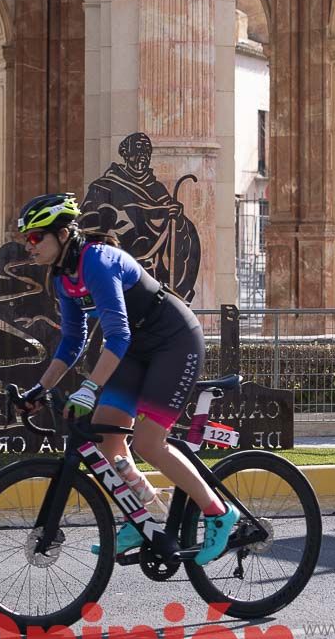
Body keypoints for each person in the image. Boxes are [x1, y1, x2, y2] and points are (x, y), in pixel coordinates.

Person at [14, 191, 238, 564]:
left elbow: (117, 334)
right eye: (26, 240)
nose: (29, 247)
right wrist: (42, 388)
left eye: (36, 237)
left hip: (174, 342)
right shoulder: (64, 279)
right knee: (106, 437)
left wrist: (89, 387)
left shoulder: (98, 262)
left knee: (149, 442)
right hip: (137, 349)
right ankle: (145, 513)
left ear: (64, 234)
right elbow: (72, 341)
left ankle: (218, 513)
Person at [79, 132, 201, 301]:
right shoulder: (107, 185)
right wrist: (160, 212)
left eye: (146, 152)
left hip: (154, 266)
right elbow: (90, 220)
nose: (142, 157)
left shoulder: (156, 188)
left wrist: (175, 217)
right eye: (138, 151)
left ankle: (174, 297)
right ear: (126, 154)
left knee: (187, 227)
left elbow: (168, 220)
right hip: (118, 259)